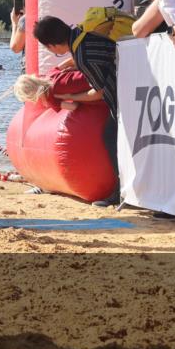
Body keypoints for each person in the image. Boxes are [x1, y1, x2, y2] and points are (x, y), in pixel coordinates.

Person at [33, 15, 119, 206]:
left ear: (52, 46)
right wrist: (63, 66)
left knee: (111, 137)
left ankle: (120, 192)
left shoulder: (82, 55)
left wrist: (69, 97)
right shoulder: (82, 33)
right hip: (134, 81)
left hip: (122, 95)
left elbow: (99, 92)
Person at [13, 68, 93, 112]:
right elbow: (66, 66)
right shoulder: (50, 73)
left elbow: (74, 106)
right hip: (89, 71)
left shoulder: (51, 99)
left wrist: (70, 97)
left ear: (31, 97)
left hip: (93, 88)